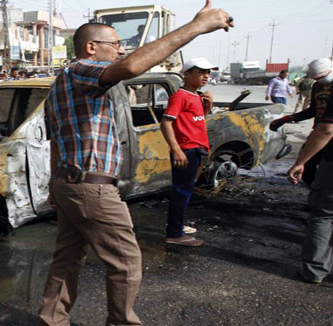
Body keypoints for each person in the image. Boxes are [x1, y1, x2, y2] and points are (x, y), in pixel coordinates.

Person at [39, 1, 234, 324]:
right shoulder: (80, 69)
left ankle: (53, 319)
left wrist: (54, 187)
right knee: (126, 261)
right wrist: (197, 26)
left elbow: (57, 139)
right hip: (91, 188)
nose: (120, 51)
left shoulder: (64, 82)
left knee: (68, 258)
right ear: (91, 47)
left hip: (70, 182)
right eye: (115, 45)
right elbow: (131, 68)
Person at [160, 57, 216, 247]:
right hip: (187, 150)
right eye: (201, 72)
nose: (206, 76)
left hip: (196, 149)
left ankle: (178, 225)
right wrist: (177, 150)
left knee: (185, 191)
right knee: (181, 192)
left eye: (208, 72)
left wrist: (207, 108)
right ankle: (175, 233)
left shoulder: (196, 96)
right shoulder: (180, 96)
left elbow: (194, 122)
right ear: (187, 74)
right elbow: (166, 123)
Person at [286, 57, 333, 284]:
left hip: (328, 153)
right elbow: (315, 112)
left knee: (323, 214)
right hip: (323, 150)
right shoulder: (320, 87)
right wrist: (291, 117)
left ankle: (314, 270)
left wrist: (300, 161)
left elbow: (326, 129)